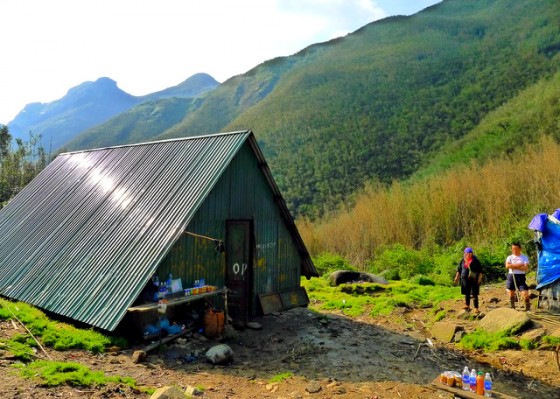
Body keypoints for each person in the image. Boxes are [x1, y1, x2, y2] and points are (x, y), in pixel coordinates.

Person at [454, 247, 483, 314]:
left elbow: (480, 271)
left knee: (474, 293)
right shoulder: (463, 260)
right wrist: (456, 277)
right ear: (465, 253)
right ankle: (467, 305)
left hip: (473, 278)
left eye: (470, 253)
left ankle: (476, 308)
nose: (469, 254)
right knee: (466, 292)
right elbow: (459, 270)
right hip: (464, 279)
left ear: (472, 253)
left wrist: (479, 278)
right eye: (467, 253)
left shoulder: (476, 260)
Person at [505, 242, 531, 310]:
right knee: (511, 293)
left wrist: (513, 266)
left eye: (516, 249)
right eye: (513, 249)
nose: (514, 251)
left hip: (521, 277)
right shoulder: (510, 257)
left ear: (520, 249)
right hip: (511, 276)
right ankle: (512, 307)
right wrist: (519, 265)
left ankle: (527, 308)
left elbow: (525, 268)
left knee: (525, 294)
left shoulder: (524, 257)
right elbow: (507, 266)